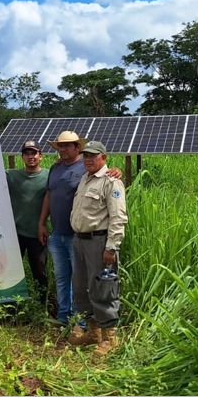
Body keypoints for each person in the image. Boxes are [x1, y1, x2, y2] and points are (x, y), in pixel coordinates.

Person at [38, 131, 121, 326]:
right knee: (67, 278)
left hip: (84, 237)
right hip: (61, 236)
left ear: (77, 148)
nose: (63, 149)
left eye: (68, 145)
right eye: (60, 146)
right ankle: (65, 317)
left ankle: (86, 324)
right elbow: (49, 195)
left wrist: (116, 170)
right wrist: (42, 223)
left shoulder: (89, 171)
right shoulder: (58, 168)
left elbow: (116, 209)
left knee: (90, 282)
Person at [66, 141, 128, 355]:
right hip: (80, 241)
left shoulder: (111, 181)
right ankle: (93, 333)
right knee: (82, 287)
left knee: (103, 288)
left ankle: (109, 339)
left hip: (99, 242)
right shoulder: (85, 178)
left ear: (104, 157)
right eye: (85, 156)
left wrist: (111, 247)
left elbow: (118, 217)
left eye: (93, 156)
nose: (88, 159)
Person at [5, 140, 50, 302]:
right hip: (15, 233)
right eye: (27, 153)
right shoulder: (11, 176)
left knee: (39, 272)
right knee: (12, 272)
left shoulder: (48, 175)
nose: (31, 157)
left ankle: (44, 307)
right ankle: (12, 307)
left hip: (37, 234)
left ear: (41, 156)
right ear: (22, 157)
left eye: (34, 153)